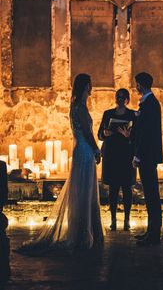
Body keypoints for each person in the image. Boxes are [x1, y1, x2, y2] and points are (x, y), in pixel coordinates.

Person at [17, 74, 104, 254]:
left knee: (82, 191)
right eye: (90, 84)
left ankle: (84, 232)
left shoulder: (77, 106)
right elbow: (87, 133)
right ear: (85, 86)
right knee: (84, 191)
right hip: (85, 150)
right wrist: (96, 149)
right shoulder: (79, 107)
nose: (91, 87)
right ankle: (82, 234)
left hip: (81, 150)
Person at [98, 88, 136, 231]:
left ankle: (127, 220)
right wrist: (105, 133)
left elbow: (137, 135)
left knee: (127, 189)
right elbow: (99, 134)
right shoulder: (108, 114)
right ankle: (113, 220)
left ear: (127, 100)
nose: (119, 99)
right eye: (117, 97)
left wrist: (128, 136)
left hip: (126, 155)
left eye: (122, 97)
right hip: (112, 155)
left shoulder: (132, 115)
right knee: (113, 189)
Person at [133, 72, 163, 246]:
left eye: (136, 84)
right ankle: (151, 231)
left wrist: (138, 155)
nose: (135, 87)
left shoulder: (150, 104)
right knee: (150, 194)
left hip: (147, 156)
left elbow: (146, 134)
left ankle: (154, 235)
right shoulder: (148, 102)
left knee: (152, 195)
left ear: (140, 85)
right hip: (147, 155)